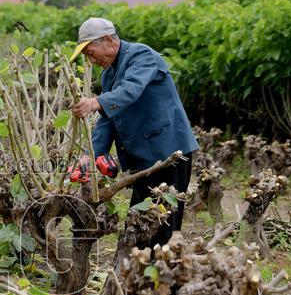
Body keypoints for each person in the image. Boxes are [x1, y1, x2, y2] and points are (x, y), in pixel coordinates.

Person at [70, 17, 199, 246]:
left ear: (108, 40)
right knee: (140, 222)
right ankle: (141, 274)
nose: (91, 60)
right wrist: (91, 154)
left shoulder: (142, 56)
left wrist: (95, 102)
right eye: (87, 57)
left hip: (169, 151)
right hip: (142, 156)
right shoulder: (108, 74)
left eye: (91, 53)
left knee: (163, 223)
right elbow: (108, 118)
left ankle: (164, 276)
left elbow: (131, 90)